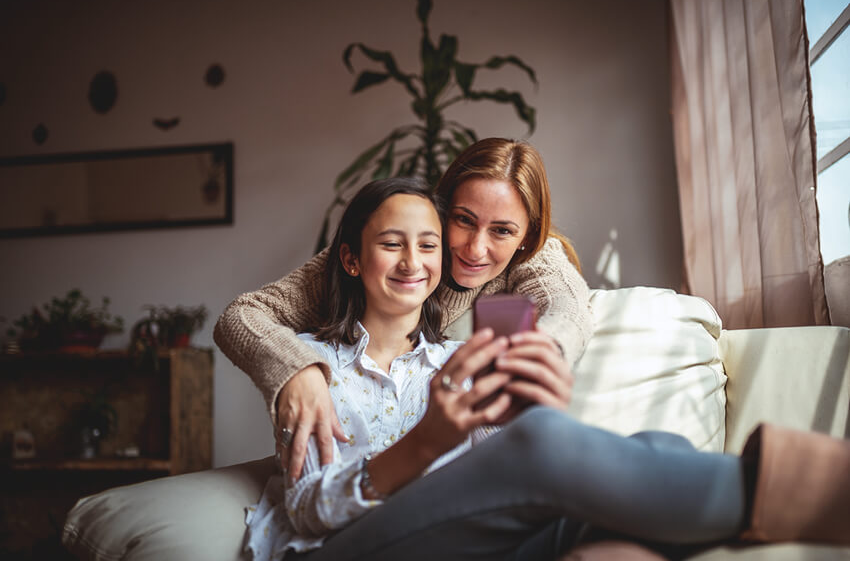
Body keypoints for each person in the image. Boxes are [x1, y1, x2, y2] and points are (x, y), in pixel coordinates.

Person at [241, 177, 850, 561]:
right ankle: (821, 491)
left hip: (462, 540)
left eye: (428, 245)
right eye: (390, 243)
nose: (413, 261)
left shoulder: (455, 364)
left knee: (630, 500)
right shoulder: (310, 369)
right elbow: (309, 511)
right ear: (349, 258)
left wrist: (537, 403)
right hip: (342, 548)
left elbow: (512, 468)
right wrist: (430, 441)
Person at [215, 138, 591, 479]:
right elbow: (243, 315)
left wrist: (542, 356)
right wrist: (298, 370)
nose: (476, 249)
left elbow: (568, 309)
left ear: (526, 237)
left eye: (502, 231)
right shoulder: (383, 254)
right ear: (439, 211)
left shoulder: (532, 257)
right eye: (463, 220)